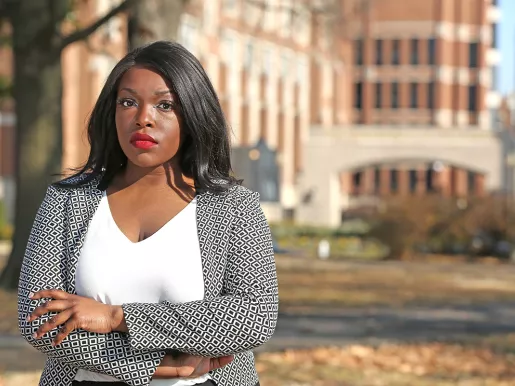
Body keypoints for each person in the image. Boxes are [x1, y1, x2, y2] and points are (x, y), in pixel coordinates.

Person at [17, 40, 279, 386]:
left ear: (193, 114)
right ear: (112, 112)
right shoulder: (66, 201)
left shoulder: (233, 207)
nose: (143, 118)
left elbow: (251, 317)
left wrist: (117, 317)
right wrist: (151, 367)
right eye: (128, 102)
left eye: (165, 105)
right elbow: (38, 319)